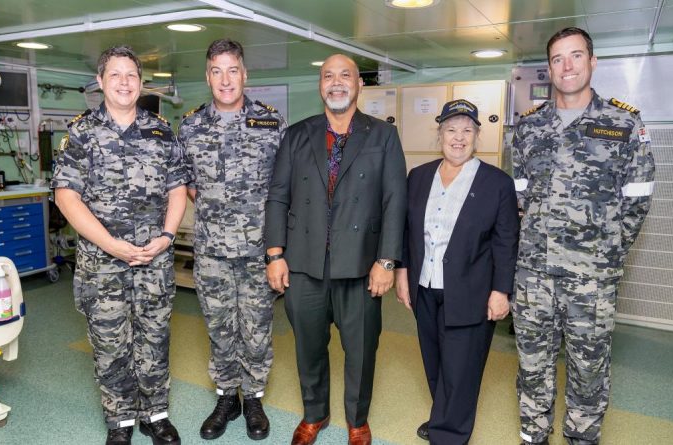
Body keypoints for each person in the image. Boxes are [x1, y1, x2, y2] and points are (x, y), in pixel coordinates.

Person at [511, 27, 655, 445]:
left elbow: (638, 199)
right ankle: (533, 436)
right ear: (550, 68)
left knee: (589, 368)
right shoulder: (530, 127)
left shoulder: (623, 123)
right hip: (534, 276)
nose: (567, 66)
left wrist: (606, 253)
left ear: (592, 62)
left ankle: (581, 439)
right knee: (532, 366)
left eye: (576, 56)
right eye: (558, 58)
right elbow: (519, 196)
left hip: (592, 279)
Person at [264, 54, 407, 445]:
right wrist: (275, 255)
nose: (337, 82)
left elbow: (396, 200)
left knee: (361, 351)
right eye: (328, 76)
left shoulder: (382, 135)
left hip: (361, 265)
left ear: (359, 84)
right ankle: (315, 414)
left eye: (345, 75)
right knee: (308, 346)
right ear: (321, 85)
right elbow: (277, 196)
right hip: (305, 264)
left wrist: (387, 260)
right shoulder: (296, 135)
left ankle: (357, 421)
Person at [52, 45, 187, 445]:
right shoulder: (81, 133)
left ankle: (156, 414)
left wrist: (166, 237)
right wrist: (112, 244)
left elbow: (177, 189)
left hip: (153, 260)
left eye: (131, 75)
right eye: (116, 74)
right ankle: (120, 421)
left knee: (155, 337)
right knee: (110, 343)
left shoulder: (162, 131)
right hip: (102, 263)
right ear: (101, 81)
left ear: (141, 82)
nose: (125, 82)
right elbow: (66, 197)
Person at [177, 38, 286, 441]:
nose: (226, 79)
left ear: (245, 74)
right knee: (220, 328)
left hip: (259, 250)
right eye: (217, 71)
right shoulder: (190, 126)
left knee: (257, 328)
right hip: (212, 253)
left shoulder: (271, 122)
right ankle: (227, 397)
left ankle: (254, 397)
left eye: (233, 70)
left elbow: (284, 185)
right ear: (208, 76)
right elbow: (185, 183)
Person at [394, 99, 518, 445]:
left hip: (472, 291)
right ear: (440, 134)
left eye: (467, 130)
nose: (458, 138)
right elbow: (406, 230)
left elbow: (506, 241)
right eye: (451, 130)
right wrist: (402, 272)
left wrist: (501, 291)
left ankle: (449, 434)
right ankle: (443, 416)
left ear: (478, 135)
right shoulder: (419, 177)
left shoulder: (497, 183)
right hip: (425, 287)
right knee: (434, 361)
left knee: (461, 368)